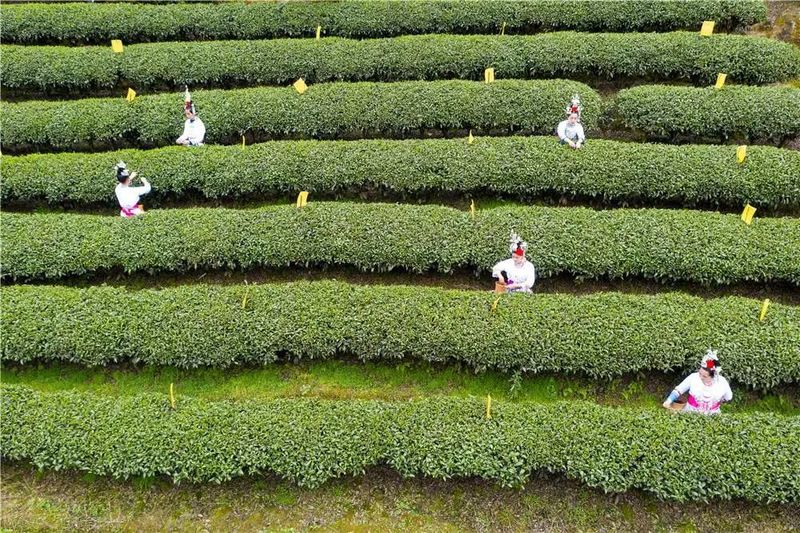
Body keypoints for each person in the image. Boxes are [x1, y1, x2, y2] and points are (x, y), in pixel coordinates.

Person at [662, 350, 733, 415]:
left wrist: (716, 401)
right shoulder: (693, 377)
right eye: (700, 373)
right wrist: (669, 400)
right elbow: (679, 390)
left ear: (713, 376)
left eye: (705, 376)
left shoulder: (722, 382)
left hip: (713, 415)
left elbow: (728, 397)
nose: (701, 377)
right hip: (690, 413)